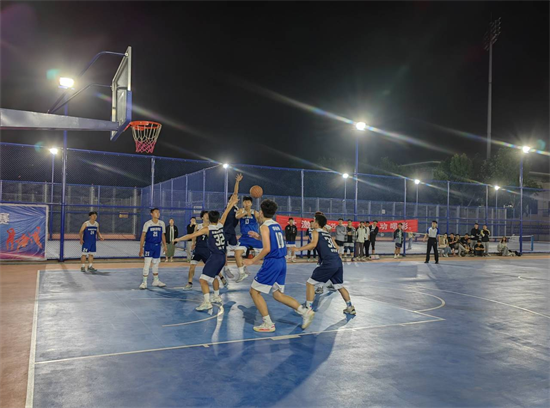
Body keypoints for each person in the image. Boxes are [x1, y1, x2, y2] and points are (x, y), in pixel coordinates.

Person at [243, 199, 314, 332]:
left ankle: (268, 323)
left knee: (254, 292)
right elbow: (273, 240)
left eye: (259, 211)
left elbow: (267, 249)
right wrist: (258, 237)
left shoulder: (264, 226)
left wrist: (252, 261)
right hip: (281, 261)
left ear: (261, 212)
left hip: (272, 262)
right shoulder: (276, 225)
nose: (258, 213)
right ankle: (305, 312)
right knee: (277, 294)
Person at [175, 195, 239, 311]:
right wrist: (232, 203)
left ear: (209, 218)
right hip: (222, 258)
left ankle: (207, 302)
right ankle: (216, 296)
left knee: (203, 280)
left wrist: (178, 239)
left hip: (214, 257)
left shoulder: (207, 229)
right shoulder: (221, 224)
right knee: (214, 276)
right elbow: (226, 212)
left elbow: (191, 235)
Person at [291, 213, 356, 316]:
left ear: (317, 224)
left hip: (329, 262)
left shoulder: (315, 231)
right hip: (337, 261)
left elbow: (313, 245)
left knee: (310, 283)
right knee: (339, 286)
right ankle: (350, 307)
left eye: (313, 221)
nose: (312, 223)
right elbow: (337, 248)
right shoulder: (327, 233)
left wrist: (298, 249)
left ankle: (308, 308)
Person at [235, 195, 263, 282]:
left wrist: (259, 217)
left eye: (248, 202)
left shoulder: (255, 212)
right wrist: (245, 213)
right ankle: (241, 273)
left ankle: (270, 272)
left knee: (267, 254)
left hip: (254, 237)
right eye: (245, 202)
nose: (246, 204)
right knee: (237, 254)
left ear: (251, 203)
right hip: (244, 238)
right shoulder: (240, 210)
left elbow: (260, 221)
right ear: (243, 203)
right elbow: (237, 217)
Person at [180, 211, 210, 290]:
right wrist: (193, 243)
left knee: (211, 267)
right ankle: (189, 282)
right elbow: (194, 236)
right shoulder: (198, 226)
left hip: (207, 250)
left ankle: (221, 277)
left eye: (208, 215)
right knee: (192, 266)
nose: (207, 216)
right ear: (202, 217)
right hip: (198, 250)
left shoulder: (211, 227)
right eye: (205, 215)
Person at [139, 208, 168, 289]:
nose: (158, 214)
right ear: (151, 214)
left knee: (156, 263)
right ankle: (144, 282)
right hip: (149, 245)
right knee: (147, 263)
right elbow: (143, 236)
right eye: (156, 212)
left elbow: (163, 235)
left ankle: (156, 280)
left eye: (158, 212)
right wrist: (141, 248)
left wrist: (165, 245)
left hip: (157, 246)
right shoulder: (147, 224)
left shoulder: (161, 223)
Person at [223, 173, 244, 280]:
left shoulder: (237, 209)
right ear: (230, 199)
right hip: (224, 231)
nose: (235, 197)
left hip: (232, 231)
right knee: (224, 251)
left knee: (237, 250)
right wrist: (237, 182)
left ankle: (242, 267)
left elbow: (239, 220)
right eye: (233, 197)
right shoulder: (229, 205)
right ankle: (226, 268)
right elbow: (235, 192)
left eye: (236, 197)